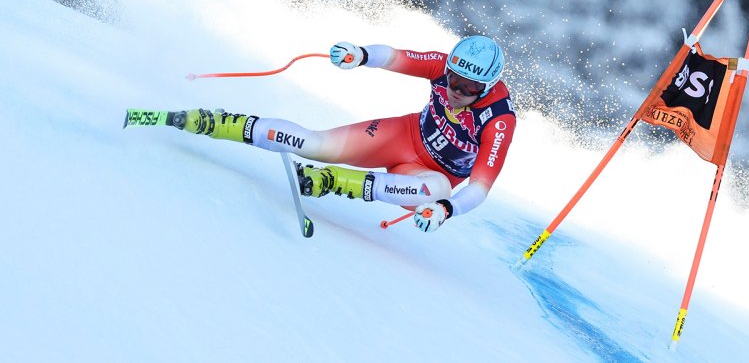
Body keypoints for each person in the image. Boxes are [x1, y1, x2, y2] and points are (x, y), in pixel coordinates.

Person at [166, 35, 516, 232]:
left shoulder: (499, 119)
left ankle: (333, 181)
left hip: (426, 176)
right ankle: (217, 122)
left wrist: (445, 210)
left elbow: (480, 188)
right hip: (402, 136)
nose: (457, 91)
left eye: (470, 88)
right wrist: (359, 54)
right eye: (454, 80)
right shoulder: (442, 65)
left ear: (487, 87)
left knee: (435, 191)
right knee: (315, 144)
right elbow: (394, 57)